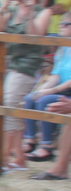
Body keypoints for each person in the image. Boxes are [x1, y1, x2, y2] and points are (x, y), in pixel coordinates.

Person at [0, 0, 53, 171]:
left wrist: (28, 10)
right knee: (11, 108)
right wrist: (4, 5)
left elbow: (35, 35)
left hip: (27, 66)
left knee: (9, 105)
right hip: (9, 63)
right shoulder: (11, 10)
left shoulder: (43, 11)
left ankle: (4, 158)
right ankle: (19, 158)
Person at [23, 16, 71, 161]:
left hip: (67, 91)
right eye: (61, 23)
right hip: (60, 88)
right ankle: (30, 140)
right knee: (31, 98)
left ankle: (47, 146)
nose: (60, 26)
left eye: (65, 24)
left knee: (45, 101)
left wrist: (50, 91)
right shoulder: (63, 47)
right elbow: (56, 74)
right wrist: (42, 89)